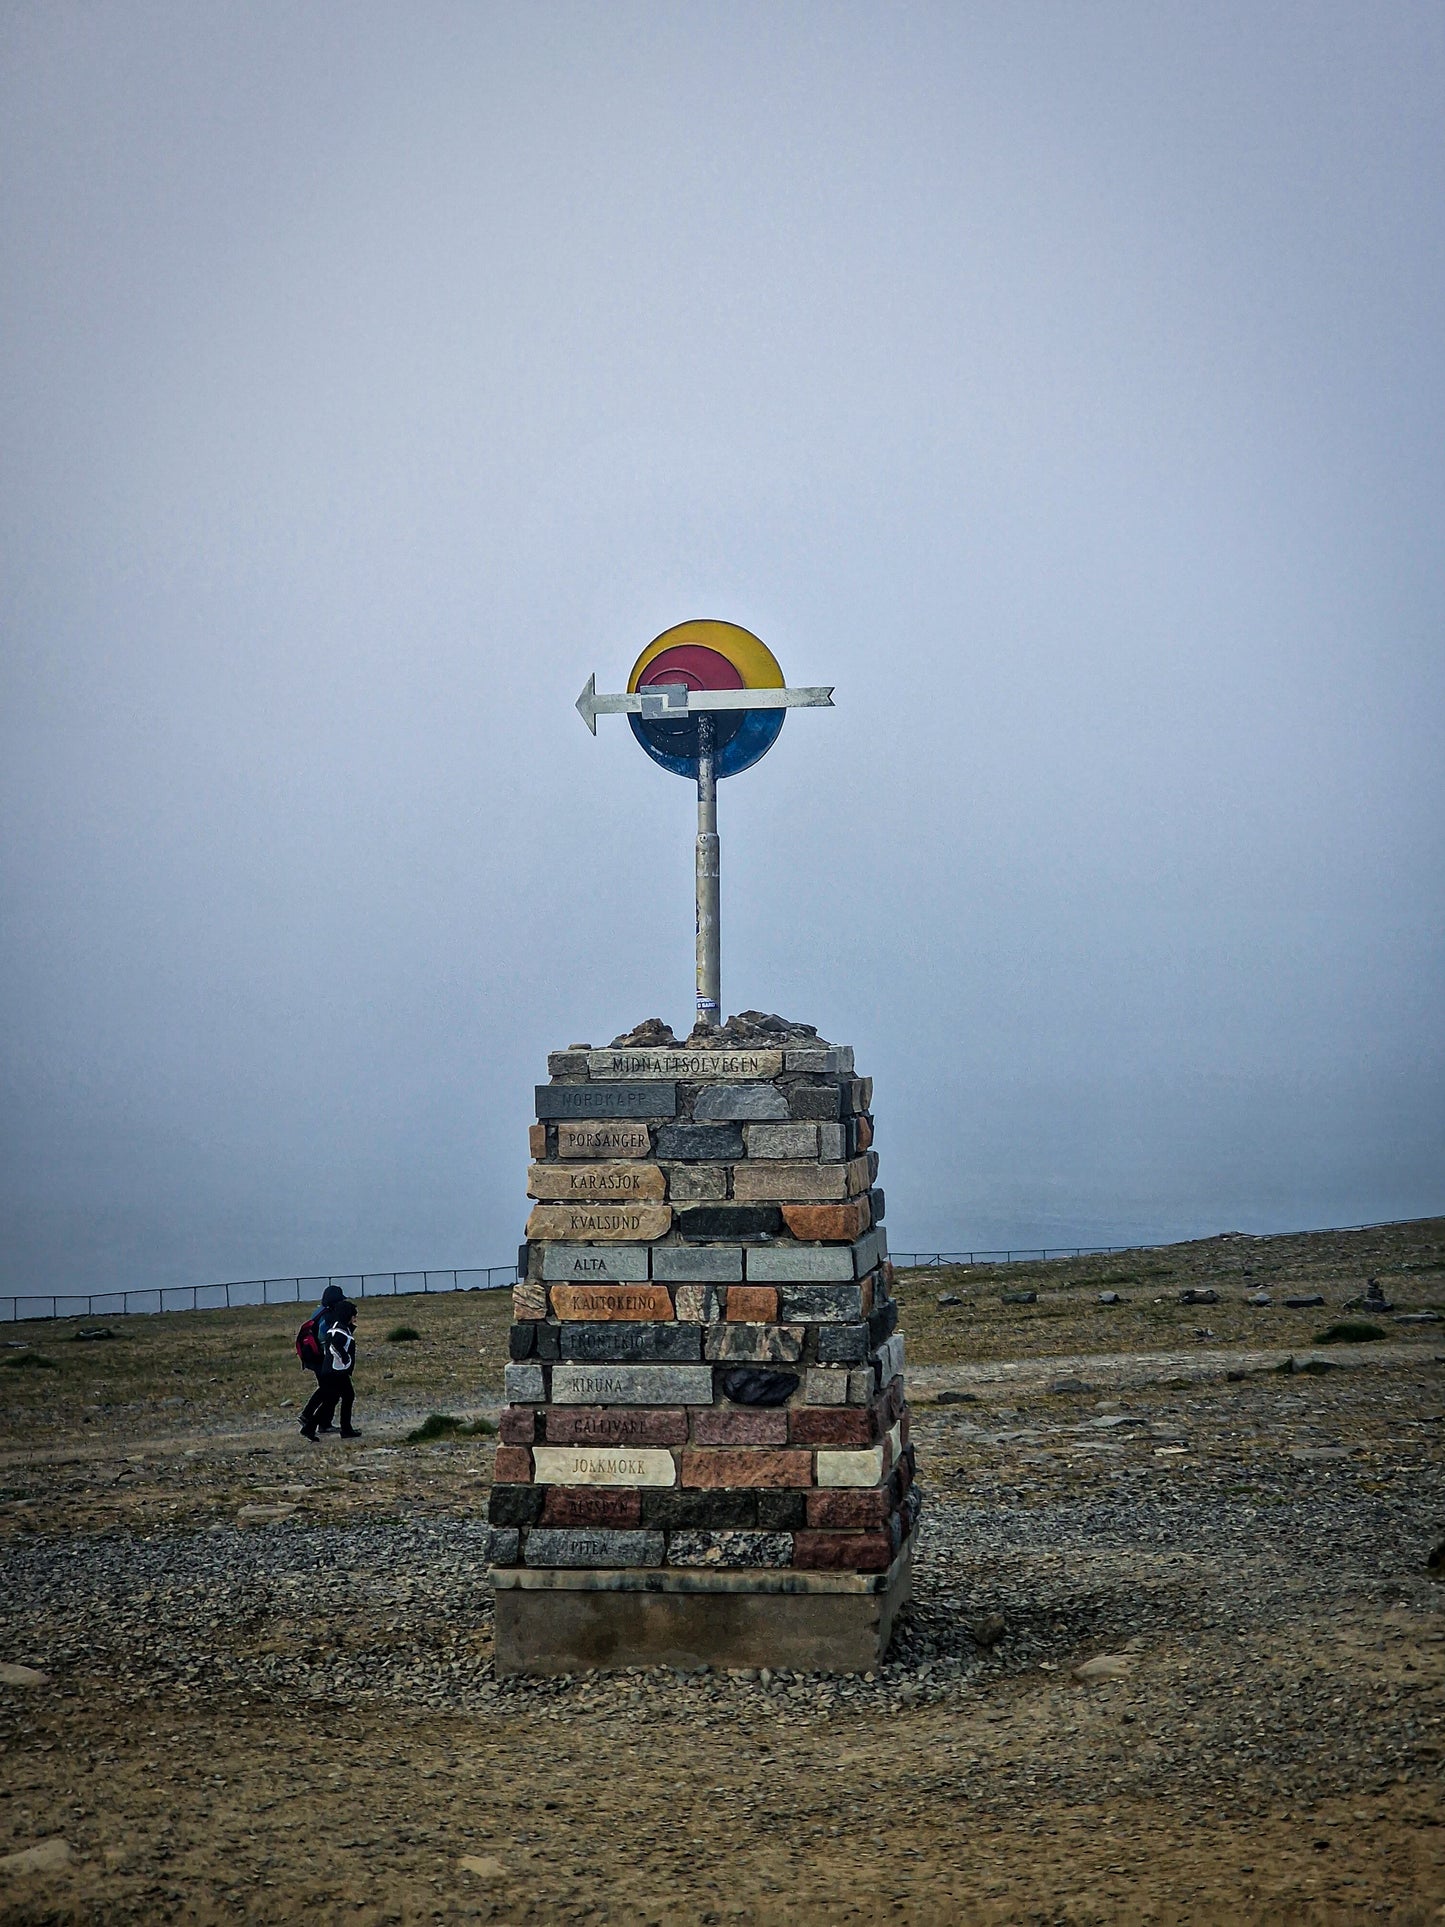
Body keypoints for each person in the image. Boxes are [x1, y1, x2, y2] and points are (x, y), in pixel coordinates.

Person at [299, 1284, 348, 1441]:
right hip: (321, 1359)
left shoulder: (319, 1311)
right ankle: (309, 1417)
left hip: (313, 1358)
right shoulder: (327, 1316)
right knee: (330, 1391)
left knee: (328, 1390)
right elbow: (324, 1337)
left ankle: (321, 1422)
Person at [315, 1298, 360, 1439]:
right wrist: (345, 1357)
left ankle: (310, 1426)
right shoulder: (338, 1330)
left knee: (333, 1398)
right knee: (345, 1397)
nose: (356, 1318)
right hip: (337, 1371)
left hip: (335, 1370)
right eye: (354, 1315)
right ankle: (345, 1429)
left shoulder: (338, 1327)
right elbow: (336, 1344)